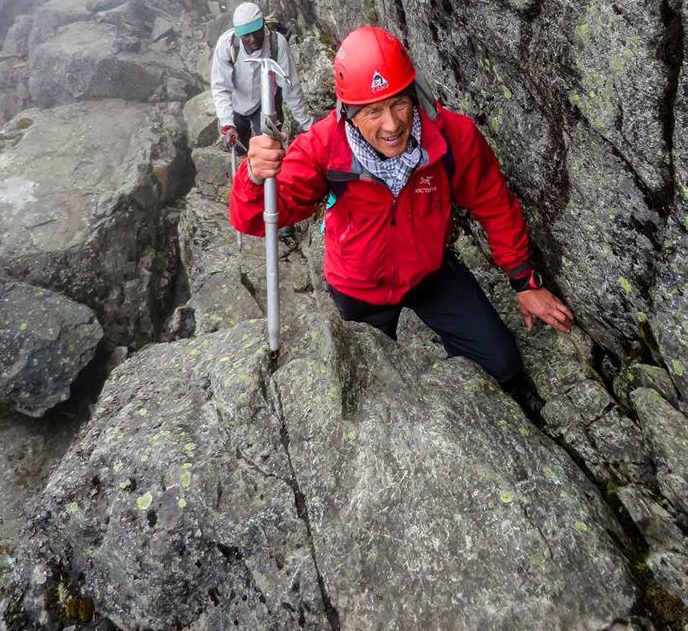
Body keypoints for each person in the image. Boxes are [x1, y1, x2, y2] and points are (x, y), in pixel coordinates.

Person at [229, 25, 574, 388]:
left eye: (399, 103)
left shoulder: (450, 137)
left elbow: (493, 202)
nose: (392, 124)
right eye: (373, 111)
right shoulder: (324, 147)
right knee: (373, 390)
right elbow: (252, 220)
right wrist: (253, 176)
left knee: (504, 367)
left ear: (413, 93)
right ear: (348, 112)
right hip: (358, 289)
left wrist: (523, 281)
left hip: (428, 273)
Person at [211, 2, 314, 154]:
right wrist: (228, 124)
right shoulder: (226, 46)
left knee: (269, 147)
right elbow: (220, 87)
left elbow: (290, 86)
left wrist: (306, 124)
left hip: (266, 102)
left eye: (256, 32)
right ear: (239, 35)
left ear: (263, 25)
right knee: (239, 145)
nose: (252, 39)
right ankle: (245, 161)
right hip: (236, 103)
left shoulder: (276, 43)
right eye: (246, 35)